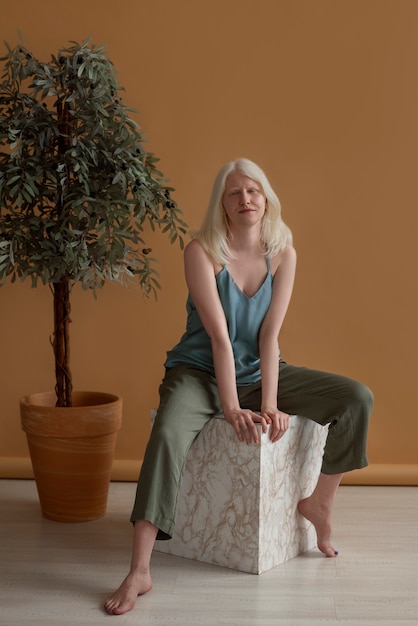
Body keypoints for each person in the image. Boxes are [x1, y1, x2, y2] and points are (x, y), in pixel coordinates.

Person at [104, 158, 373, 616]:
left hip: (257, 372)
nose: (245, 199)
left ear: (265, 199)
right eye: (234, 193)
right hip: (198, 373)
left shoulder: (284, 252)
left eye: (253, 191)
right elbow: (219, 339)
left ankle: (320, 505)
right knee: (167, 435)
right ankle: (140, 569)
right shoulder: (201, 252)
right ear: (222, 205)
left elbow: (269, 336)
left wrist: (268, 404)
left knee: (355, 398)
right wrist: (231, 410)